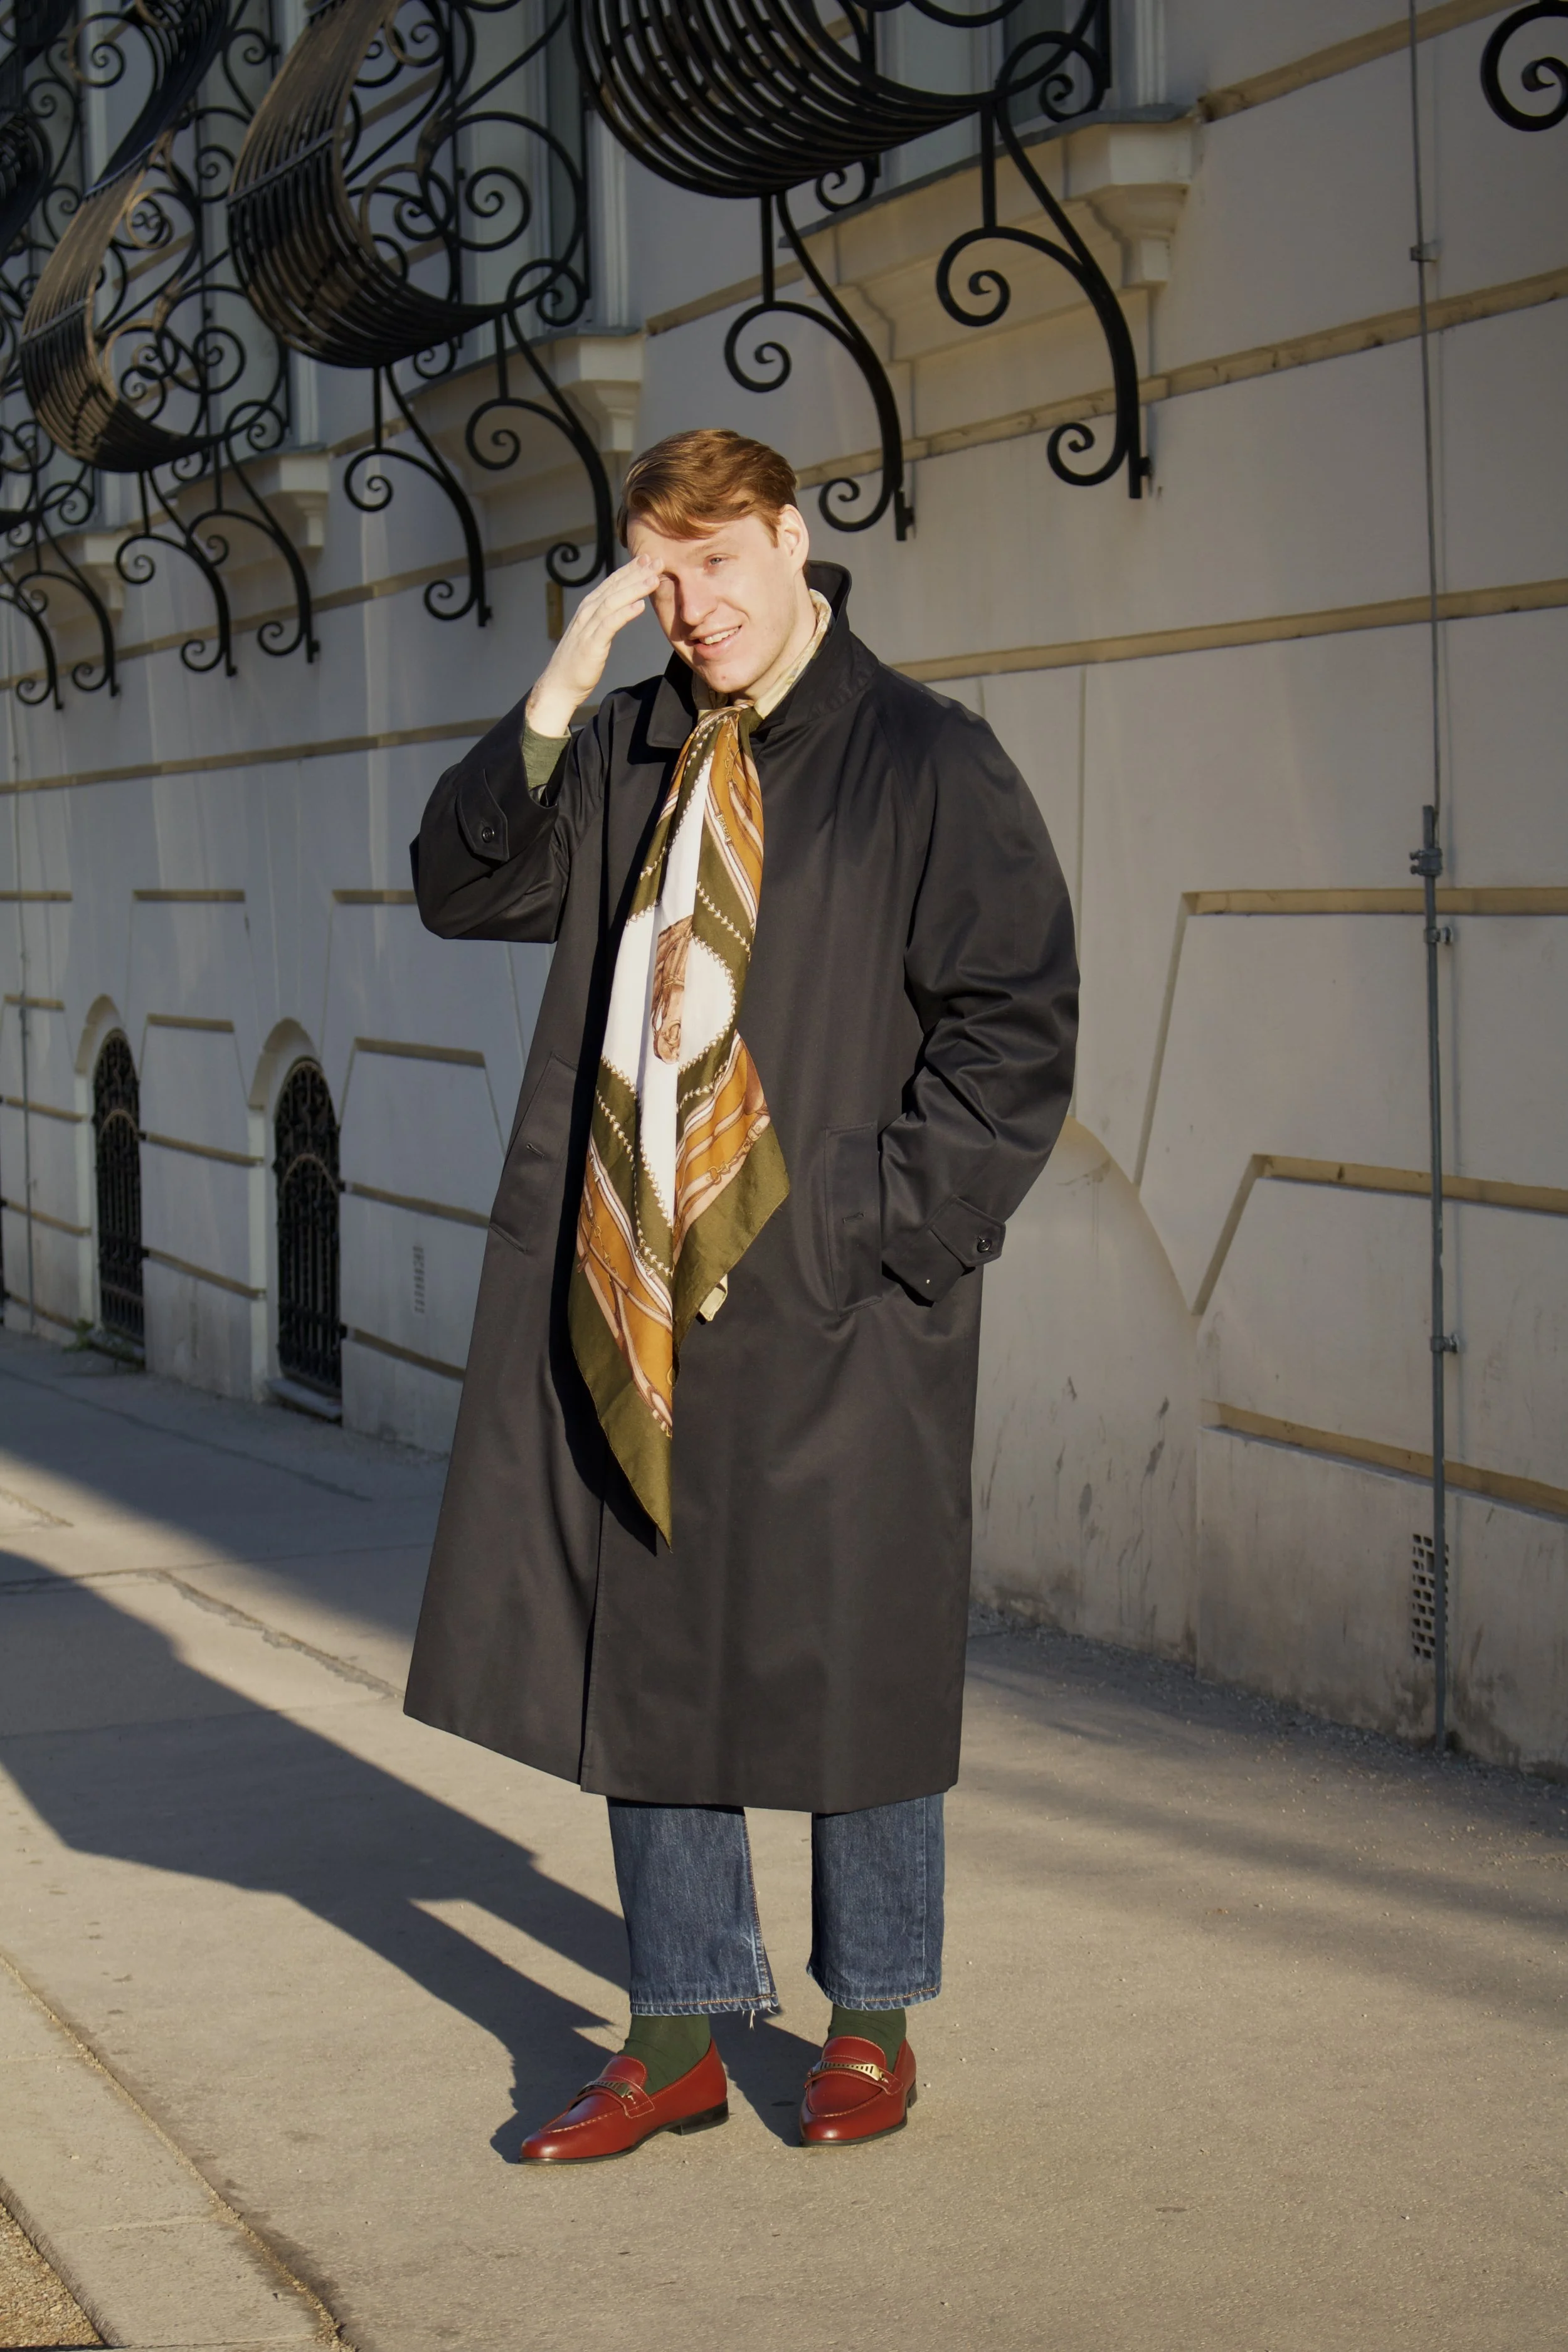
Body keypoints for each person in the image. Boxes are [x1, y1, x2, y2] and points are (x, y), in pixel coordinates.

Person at [404, 428, 1078, 2159]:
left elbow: (1013, 1028)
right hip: (639, 1277)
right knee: (653, 1655)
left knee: (858, 1651)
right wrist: (563, 681)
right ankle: (677, 2030)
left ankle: (871, 2022)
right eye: (660, 575)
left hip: (838, 1294)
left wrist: (869, 1227)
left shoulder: (928, 756)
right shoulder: (627, 744)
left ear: (792, 539)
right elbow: (462, 884)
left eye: (716, 563)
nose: (691, 606)